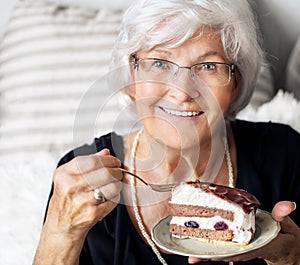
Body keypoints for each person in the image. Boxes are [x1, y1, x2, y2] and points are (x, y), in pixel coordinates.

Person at [33, 0, 300, 264]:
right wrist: (60, 232)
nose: (182, 92)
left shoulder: (285, 154)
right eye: (159, 63)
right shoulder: (84, 180)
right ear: (132, 78)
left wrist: (292, 258)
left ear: (235, 83)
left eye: (208, 66)